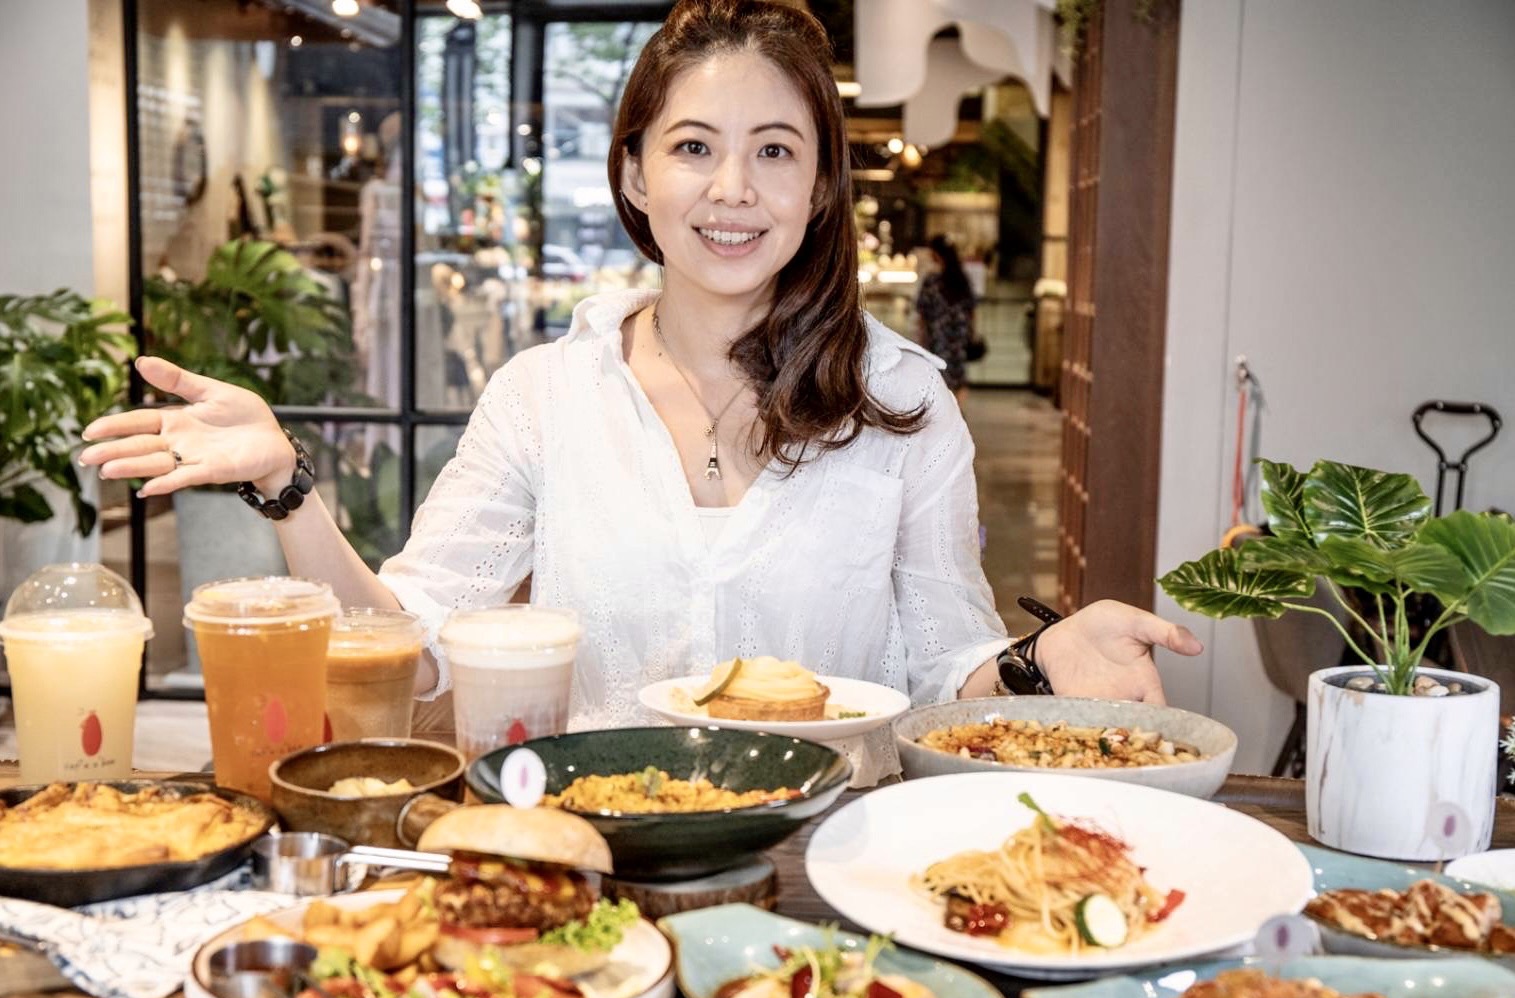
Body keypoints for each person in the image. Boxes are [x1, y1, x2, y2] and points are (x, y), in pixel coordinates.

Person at [79, 0, 1200, 780]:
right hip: (593, 853)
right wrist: (289, 486)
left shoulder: (904, 403)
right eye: (694, 146)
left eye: (774, 151)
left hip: (821, 869)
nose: (731, 190)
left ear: (817, 189)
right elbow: (412, 649)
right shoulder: (544, 395)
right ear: (633, 170)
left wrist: (1035, 663)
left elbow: (943, 672)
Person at [915, 234, 976, 403]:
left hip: (938, 334)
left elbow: (922, 312)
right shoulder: (962, 278)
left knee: (940, 373)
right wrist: (971, 332)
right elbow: (971, 309)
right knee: (959, 376)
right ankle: (957, 411)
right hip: (959, 335)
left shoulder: (932, 280)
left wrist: (921, 338)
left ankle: (947, 412)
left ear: (935, 253)